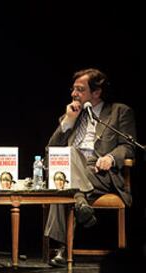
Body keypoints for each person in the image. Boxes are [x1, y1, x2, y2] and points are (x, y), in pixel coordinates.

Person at [44, 68, 136, 267]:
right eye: (73, 89)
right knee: (65, 162)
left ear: (96, 92)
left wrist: (111, 157)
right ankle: (79, 202)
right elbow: (51, 150)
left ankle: (62, 247)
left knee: (62, 178)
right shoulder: (71, 116)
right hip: (71, 169)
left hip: (99, 172)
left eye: (80, 89)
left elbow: (128, 147)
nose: (73, 94)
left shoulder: (120, 111)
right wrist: (68, 121)